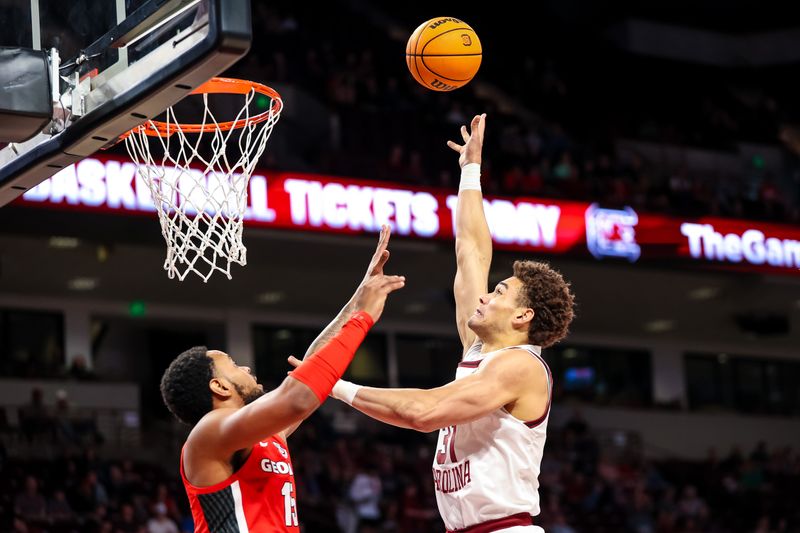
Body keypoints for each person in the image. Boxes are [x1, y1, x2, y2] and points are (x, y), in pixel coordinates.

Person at [291, 115, 576, 532]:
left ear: (522, 316)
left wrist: (333, 384)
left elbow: (425, 412)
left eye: (499, 293)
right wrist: (471, 171)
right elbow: (471, 250)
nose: (484, 296)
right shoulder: (479, 350)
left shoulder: (521, 366)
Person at [159, 227, 404, 532]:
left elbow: (309, 369)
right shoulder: (209, 433)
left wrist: (357, 300)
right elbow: (298, 397)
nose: (246, 368)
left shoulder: (259, 433)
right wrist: (362, 319)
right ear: (219, 386)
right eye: (233, 365)